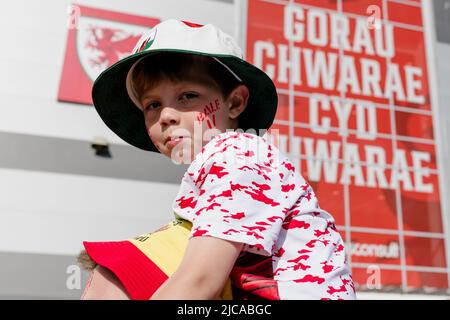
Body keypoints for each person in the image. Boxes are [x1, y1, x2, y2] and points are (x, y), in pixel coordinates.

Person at [79, 19, 356, 300]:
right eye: (153, 105)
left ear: (235, 103)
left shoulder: (239, 153)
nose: (166, 116)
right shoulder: (220, 163)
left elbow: (200, 281)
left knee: (116, 269)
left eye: (188, 96)